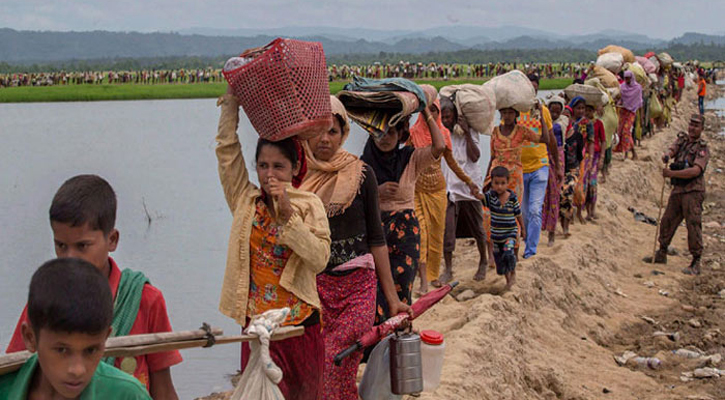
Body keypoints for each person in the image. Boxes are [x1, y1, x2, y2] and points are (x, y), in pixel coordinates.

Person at [6, 175, 181, 400]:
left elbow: (163, 388)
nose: (70, 258)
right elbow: (17, 368)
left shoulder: (144, 299)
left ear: (112, 240)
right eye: (61, 245)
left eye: (82, 246)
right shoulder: (46, 301)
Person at [215, 87, 331, 400]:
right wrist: (232, 103)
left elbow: (320, 259)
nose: (269, 175)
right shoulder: (246, 201)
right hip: (257, 329)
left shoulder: (309, 205)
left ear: (295, 169)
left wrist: (290, 218)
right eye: (263, 166)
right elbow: (227, 153)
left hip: (299, 328)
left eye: (278, 167)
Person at [300, 96, 411, 399]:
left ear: (344, 133)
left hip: (358, 289)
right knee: (332, 369)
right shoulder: (298, 177)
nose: (324, 138)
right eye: (318, 130)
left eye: (333, 131)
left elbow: (377, 239)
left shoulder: (361, 175)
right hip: (316, 290)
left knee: (332, 358)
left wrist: (392, 299)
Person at [0, 258, 151, 399]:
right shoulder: (4, 389)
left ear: (106, 338)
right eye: (61, 350)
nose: (77, 370)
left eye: (91, 350)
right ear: (30, 337)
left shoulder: (127, 395)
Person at [360, 91, 446, 324]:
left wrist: (425, 111)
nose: (384, 137)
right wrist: (375, 193)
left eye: (391, 131)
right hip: (374, 232)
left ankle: (398, 336)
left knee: (402, 290)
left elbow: (439, 147)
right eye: (379, 132)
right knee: (374, 289)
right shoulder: (362, 165)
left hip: (405, 234)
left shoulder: (410, 158)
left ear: (400, 134)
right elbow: (354, 200)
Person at [408, 85, 475, 293]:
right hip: (418, 191)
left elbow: (453, 164)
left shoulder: (444, 134)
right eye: (427, 110)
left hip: (437, 191)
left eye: (434, 110)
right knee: (422, 236)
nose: (431, 114)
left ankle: (433, 276)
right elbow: (406, 163)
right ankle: (423, 282)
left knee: (437, 234)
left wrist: (470, 182)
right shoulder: (413, 134)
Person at [644, 114, 709, 275]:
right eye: (691, 124)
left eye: (696, 126)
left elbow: (695, 170)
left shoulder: (702, 148)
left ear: (701, 128)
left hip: (693, 191)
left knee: (693, 225)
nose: (693, 128)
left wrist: (672, 174)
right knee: (667, 220)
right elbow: (672, 149)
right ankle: (662, 251)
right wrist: (667, 155)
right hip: (678, 189)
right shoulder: (683, 140)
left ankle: (696, 261)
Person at [483, 105, 546, 260]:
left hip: (514, 179)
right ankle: (492, 253)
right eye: (504, 112)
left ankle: (513, 251)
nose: (507, 115)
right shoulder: (495, 132)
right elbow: (492, 156)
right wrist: (485, 178)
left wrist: (542, 116)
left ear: (516, 114)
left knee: (513, 214)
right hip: (496, 176)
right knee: (489, 214)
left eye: (510, 112)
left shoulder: (521, 131)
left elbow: (543, 139)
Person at [438, 96, 488, 283]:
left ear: (456, 116)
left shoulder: (469, 132)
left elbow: (475, 157)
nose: (445, 121)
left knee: (477, 227)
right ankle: (449, 269)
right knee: (447, 230)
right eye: (442, 117)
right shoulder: (442, 134)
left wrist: (466, 132)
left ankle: (483, 260)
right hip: (449, 187)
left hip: (469, 187)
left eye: (449, 117)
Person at [519, 73, 560, 258]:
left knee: (535, 210)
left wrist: (557, 165)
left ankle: (530, 250)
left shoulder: (542, 111)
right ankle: (527, 240)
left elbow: (550, 139)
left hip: (540, 165)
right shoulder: (516, 111)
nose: (532, 90)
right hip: (520, 168)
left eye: (535, 87)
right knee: (524, 211)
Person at [475, 166, 524, 291]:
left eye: (503, 183)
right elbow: (481, 199)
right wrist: (475, 193)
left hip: (510, 233)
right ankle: (507, 280)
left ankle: (513, 273)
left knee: (508, 253)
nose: (499, 187)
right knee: (500, 261)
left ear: (508, 183)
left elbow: (518, 214)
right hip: (496, 236)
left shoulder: (512, 198)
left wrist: (523, 229)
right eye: (496, 183)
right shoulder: (490, 197)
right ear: (491, 183)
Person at [559, 97, 587, 237]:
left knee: (568, 193)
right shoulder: (557, 134)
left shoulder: (577, 135)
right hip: (558, 170)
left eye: (567, 117)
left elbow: (580, 157)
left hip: (572, 170)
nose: (565, 119)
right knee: (558, 196)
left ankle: (566, 226)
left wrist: (579, 173)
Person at [543, 96, 568, 246]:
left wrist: (559, 167)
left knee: (554, 193)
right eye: (552, 111)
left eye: (557, 112)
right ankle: (541, 228)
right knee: (543, 194)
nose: (554, 114)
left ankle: (552, 232)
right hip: (543, 155)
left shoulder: (563, 122)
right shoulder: (543, 121)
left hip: (557, 156)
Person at [584, 105, 607, 220]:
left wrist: (602, 157)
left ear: (593, 111)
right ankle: (586, 210)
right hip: (583, 155)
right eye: (585, 110)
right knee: (584, 183)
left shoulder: (598, 124)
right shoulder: (581, 124)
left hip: (595, 156)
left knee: (592, 183)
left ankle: (592, 210)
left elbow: (603, 141)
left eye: (589, 110)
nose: (587, 113)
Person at [614, 70, 642, 160]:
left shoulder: (637, 88)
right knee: (620, 131)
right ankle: (633, 152)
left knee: (626, 131)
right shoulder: (622, 87)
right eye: (625, 78)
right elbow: (620, 98)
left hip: (631, 112)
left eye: (628, 78)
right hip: (623, 111)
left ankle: (626, 153)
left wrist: (640, 114)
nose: (627, 80)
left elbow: (639, 101)